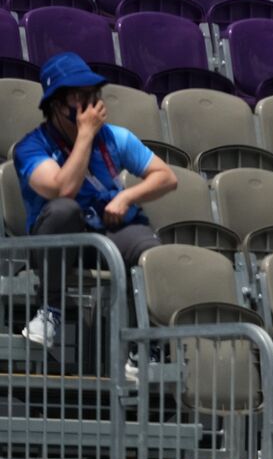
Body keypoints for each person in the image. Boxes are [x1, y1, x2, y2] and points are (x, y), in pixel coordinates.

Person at [14, 53, 178, 351]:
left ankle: (147, 347)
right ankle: (51, 310)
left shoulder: (116, 137)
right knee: (64, 210)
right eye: (78, 96)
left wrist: (127, 196)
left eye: (92, 94)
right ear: (56, 104)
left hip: (104, 237)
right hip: (55, 245)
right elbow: (63, 190)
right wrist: (86, 136)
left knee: (148, 247)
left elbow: (166, 177)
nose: (89, 104)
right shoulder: (31, 147)